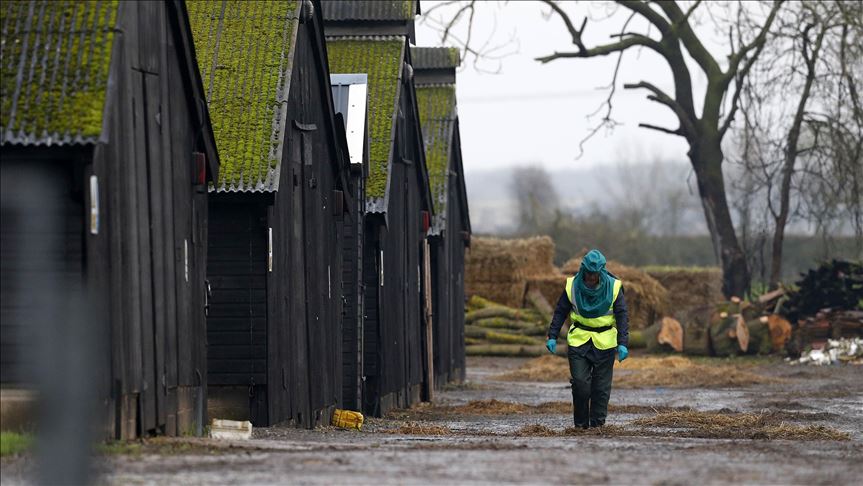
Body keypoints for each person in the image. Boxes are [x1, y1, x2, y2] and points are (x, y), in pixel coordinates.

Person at [546, 249, 629, 428]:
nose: (592, 278)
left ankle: (597, 425)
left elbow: (622, 316)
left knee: (600, 388)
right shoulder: (572, 286)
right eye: (589, 274)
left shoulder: (614, 288)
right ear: (583, 271)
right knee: (581, 385)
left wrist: (623, 343)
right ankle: (580, 425)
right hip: (579, 341)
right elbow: (560, 311)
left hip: (605, 342)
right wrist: (552, 335)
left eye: (595, 274)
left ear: (601, 272)